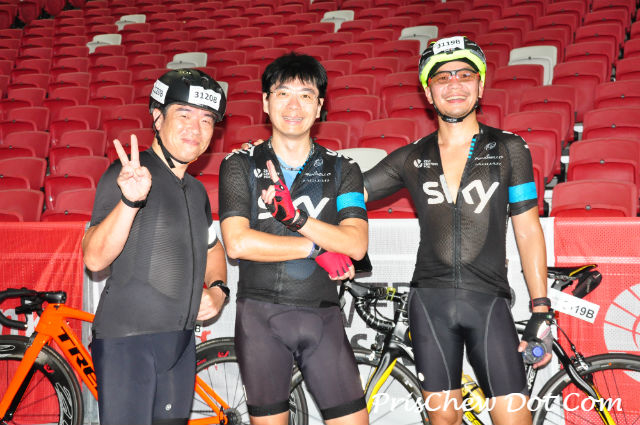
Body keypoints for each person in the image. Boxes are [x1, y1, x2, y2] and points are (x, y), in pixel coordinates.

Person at [362, 36, 552, 425]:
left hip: (489, 303)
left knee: (514, 420)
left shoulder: (510, 148)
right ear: (428, 92)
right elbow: (347, 193)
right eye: (442, 77)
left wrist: (541, 308)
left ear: (480, 86)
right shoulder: (411, 157)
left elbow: (528, 231)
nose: (454, 84)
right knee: (443, 419)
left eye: (465, 75)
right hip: (428, 304)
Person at [219, 53, 370, 425]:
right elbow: (238, 244)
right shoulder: (239, 164)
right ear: (265, 103)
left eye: (306, 95)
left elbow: (355, 244)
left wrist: (297, 219)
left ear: (319, 107)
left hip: (323, 319)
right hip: (260, 321)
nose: (293, 105)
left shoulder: (344, 168)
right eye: (283, 93)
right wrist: (316, 248)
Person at [82, 68, 230, 425]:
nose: (196, 128)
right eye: (184, 114)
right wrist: (130, 201)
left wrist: (218, 290)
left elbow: (213, 250)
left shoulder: (196, 191)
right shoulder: (127, 174)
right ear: (158, 118)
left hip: (179, 345)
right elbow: (94, 258)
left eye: (206, 120)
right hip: (128, 344)